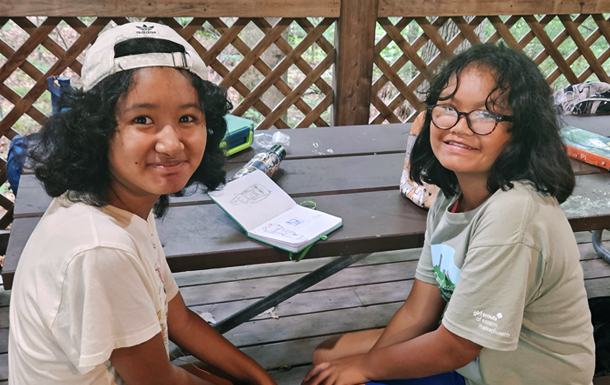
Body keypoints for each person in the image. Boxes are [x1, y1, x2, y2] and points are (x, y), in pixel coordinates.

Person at [303, 44, 595, 385]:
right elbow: (418, 311)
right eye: (447, 108)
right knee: (330, 358)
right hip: (472, 359)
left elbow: (457, 347)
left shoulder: (514, 213)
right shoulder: (451, 196)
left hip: (507, 374)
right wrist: (364, 368)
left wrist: (366, 371)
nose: (459, 126)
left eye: (485, 115)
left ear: (522, 131)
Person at [8, 21, 277, 385]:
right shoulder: (101, 248)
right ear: (98, 131)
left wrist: (260, 379)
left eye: (187, 118)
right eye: (143, 119)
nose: (171, 143)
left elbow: (177, 318)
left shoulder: (121, 204)